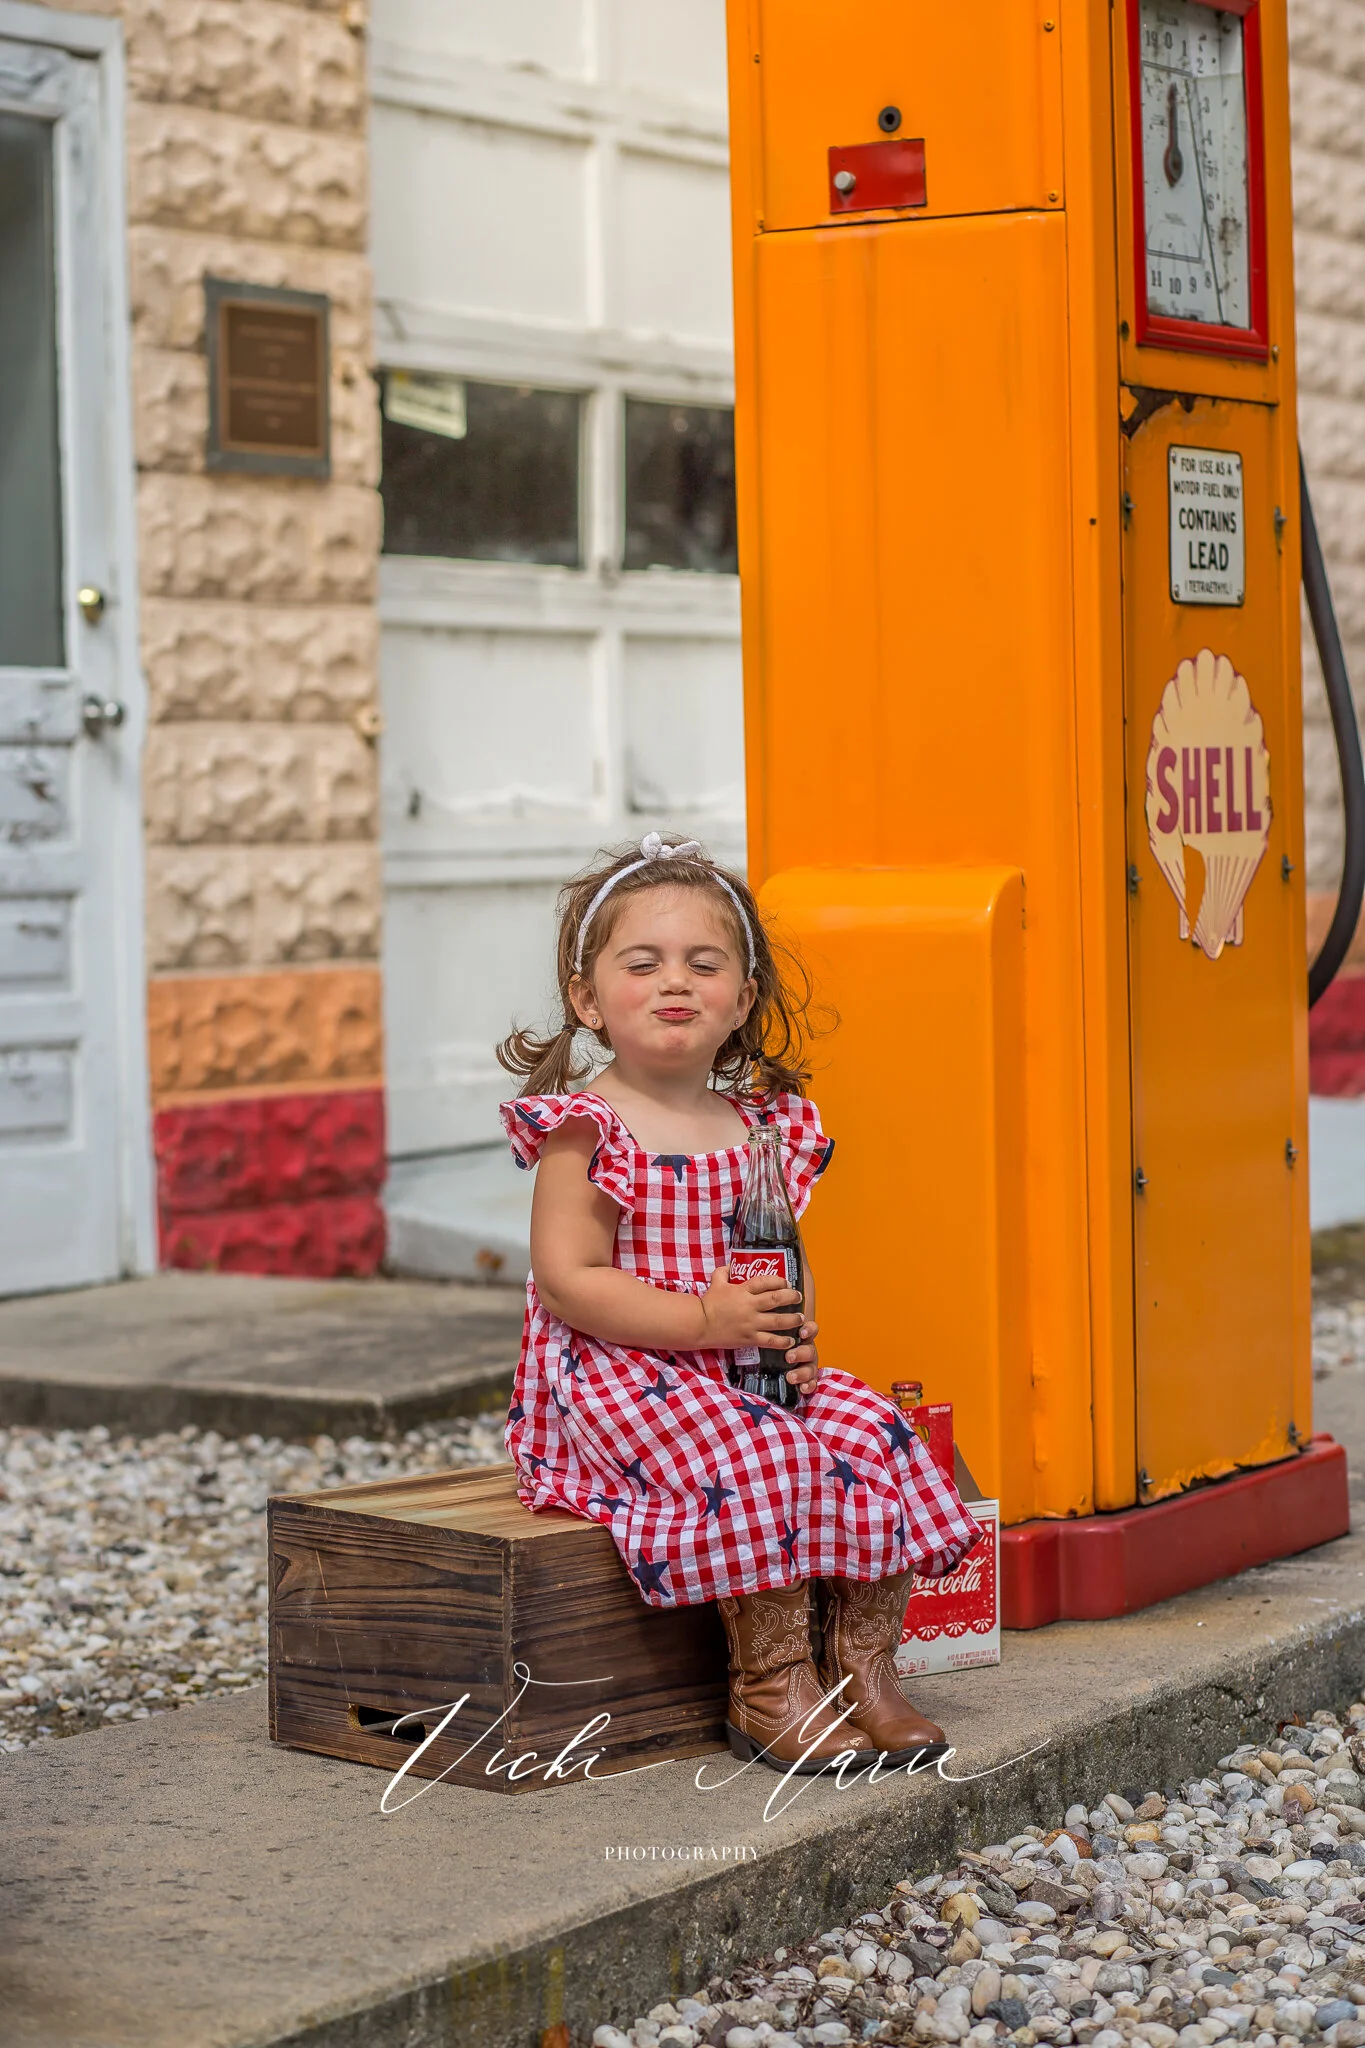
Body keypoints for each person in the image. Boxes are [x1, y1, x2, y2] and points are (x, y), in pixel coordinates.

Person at [496, 832, 981, 1774]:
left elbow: (783, 1265)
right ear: (588, 998)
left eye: (703, 963)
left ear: (742, 999)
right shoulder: (588, 1129)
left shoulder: (759, 1124)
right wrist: (700, 1324)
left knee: (867, 1428)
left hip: (738, 1367)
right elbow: (570, 1279)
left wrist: (793, 1340)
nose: (674, 982)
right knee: (761, 1455)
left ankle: (863, 1672)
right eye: (642, 963)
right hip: (620, 1374)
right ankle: (770, 1688)